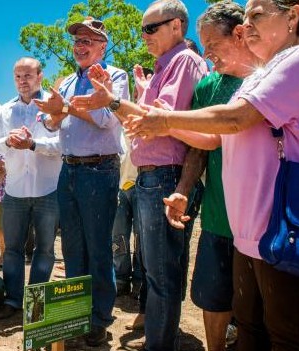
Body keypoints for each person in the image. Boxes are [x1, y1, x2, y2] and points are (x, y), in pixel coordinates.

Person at [122, 1, 299, 349]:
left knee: (284, 334)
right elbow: (213, 139)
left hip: (276, 231)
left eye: (257, 15)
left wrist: (167, 121)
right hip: (247, 234)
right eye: (245, 16)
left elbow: (236, 118)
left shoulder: (294, 62)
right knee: (251, 328)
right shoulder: (267, 71)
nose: (246, 25)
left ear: (293, 16)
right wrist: (163, 124)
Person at [70, 2, 208, 350]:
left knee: (160, 273)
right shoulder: (164, 66)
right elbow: (139, 122)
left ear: (177, 26)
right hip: (151, 176)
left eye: (151, 28)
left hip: (165, 175)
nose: (143, 35)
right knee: (154, 271)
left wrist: (113, 102)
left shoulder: (183, 61)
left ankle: (159, 344)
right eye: (143, 29)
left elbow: (158, 120)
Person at [163, 3, 257, 350]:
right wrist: (184, 189)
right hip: (218, 218)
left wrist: (164, 120)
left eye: (212, 44)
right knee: (212, 299)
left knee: (257, 311)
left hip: (260, 223)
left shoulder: (266, 80)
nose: (206, 53)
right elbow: (199, 149)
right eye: (201, 45)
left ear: (239, 33)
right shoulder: (206, 87)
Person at [33, 17, 130, 346]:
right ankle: (73, 315)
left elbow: (105, 119)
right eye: (77, 40)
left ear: (103, 47)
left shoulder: (115, 76)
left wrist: (66, 109)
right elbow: (50, 123)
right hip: (69, 170)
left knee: (98, 248)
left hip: (99, 172)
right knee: (72, 248)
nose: (81, 45)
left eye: (89, 40)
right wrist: (55, 112)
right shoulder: (65, 81)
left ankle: (99, 318)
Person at [0, 57, 61, 319]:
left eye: (28, 75)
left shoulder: (53, 109)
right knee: (12, 249)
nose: (22, 81)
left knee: (45, 249)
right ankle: (14, 300)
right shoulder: (5, 111)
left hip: (48, 189)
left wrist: (33, 145)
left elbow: (62, 147)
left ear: (40, 76)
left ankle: (36, 305)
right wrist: (7, 140)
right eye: (18, 76)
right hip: (15, 191)